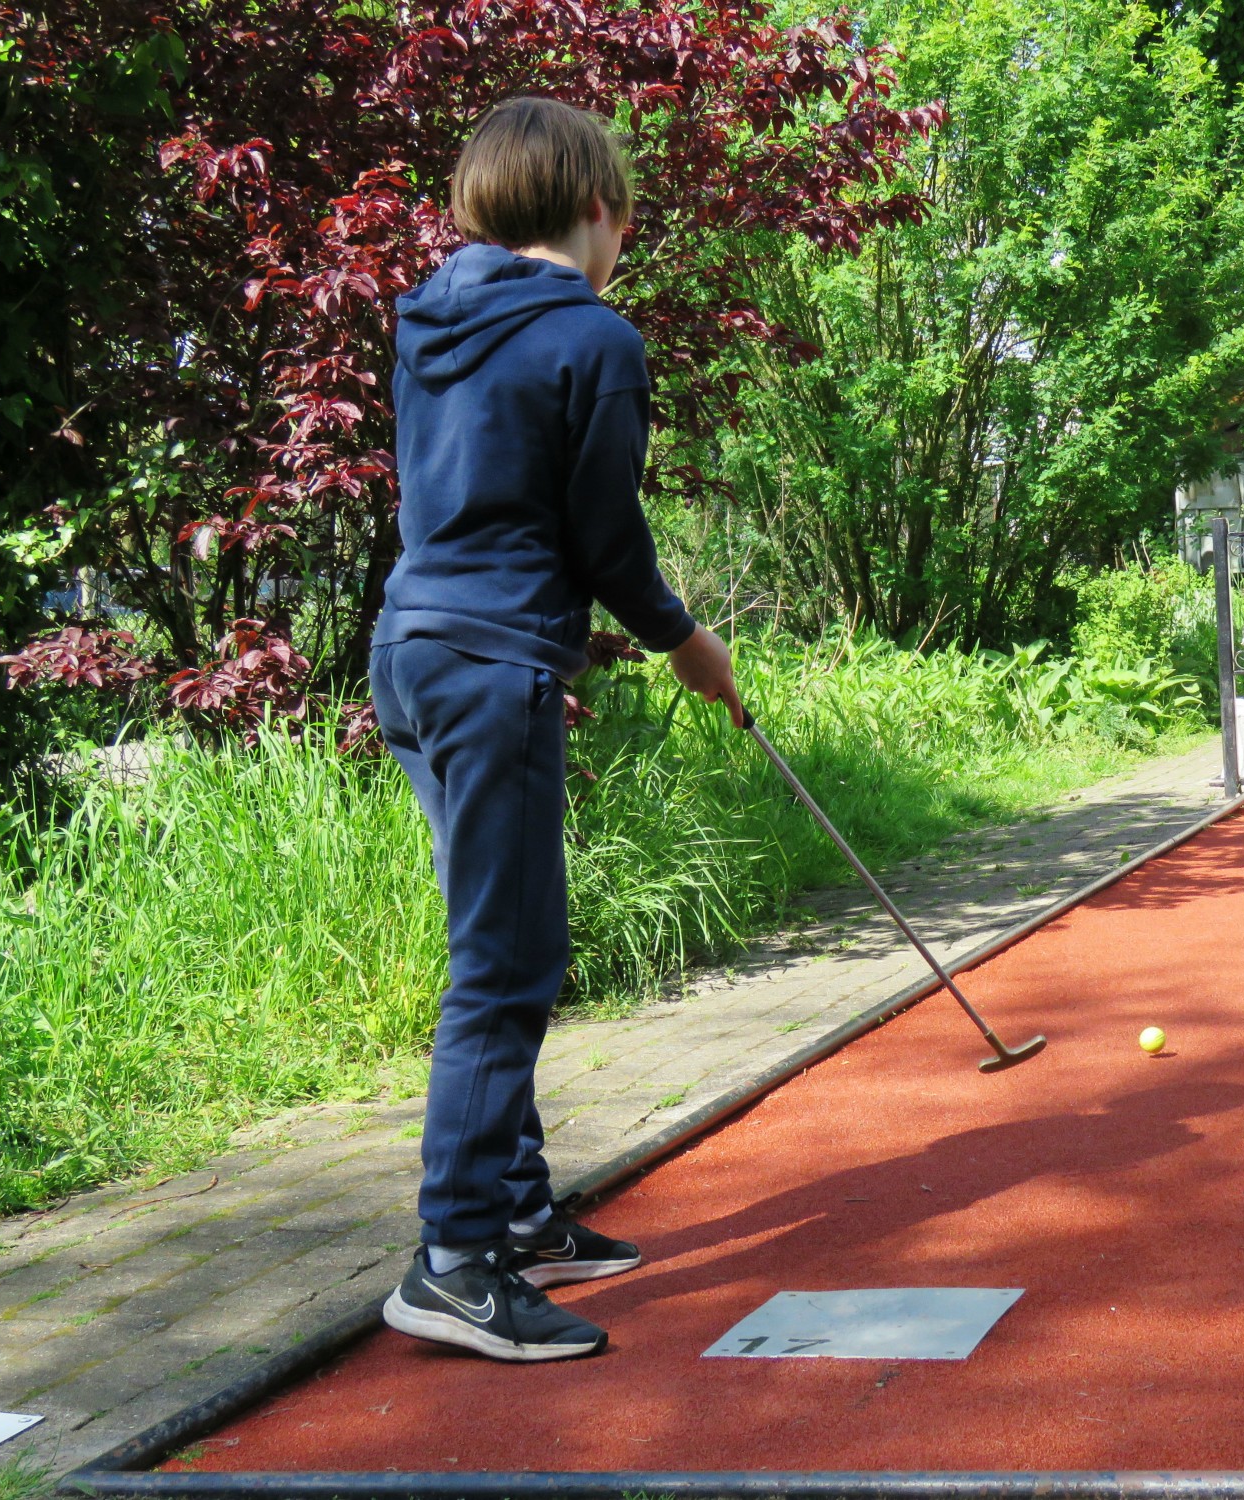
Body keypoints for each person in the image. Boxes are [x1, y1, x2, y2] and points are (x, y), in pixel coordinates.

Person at [369, 96, 741, 1362]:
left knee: (493, 936)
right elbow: (607, 542)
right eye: (625, 214)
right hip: (485, 668)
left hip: (412, 651)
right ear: (597, 207)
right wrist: (686, 644)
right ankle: (456, 1260)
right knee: (509, 961)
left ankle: (518, 1215)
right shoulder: (593, 336)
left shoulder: (429, 319)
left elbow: (482, 507)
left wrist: (553, 634)